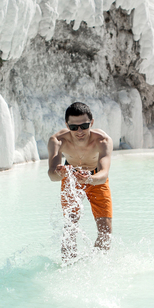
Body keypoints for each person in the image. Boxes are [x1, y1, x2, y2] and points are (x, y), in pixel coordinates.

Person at [47, 102, 113, 261]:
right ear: (66, 125)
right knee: (70, 227)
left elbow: (104, 174)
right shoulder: (58, 141)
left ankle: (95, 265)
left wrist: (89, 178)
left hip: (96, 179)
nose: (79, 131)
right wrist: (60, 174)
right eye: (73, 127)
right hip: (70, 178)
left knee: (106, 231)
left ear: (91, 123)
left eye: (84, 126)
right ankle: (68, 267)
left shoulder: (102, 141)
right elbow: (51, 175)